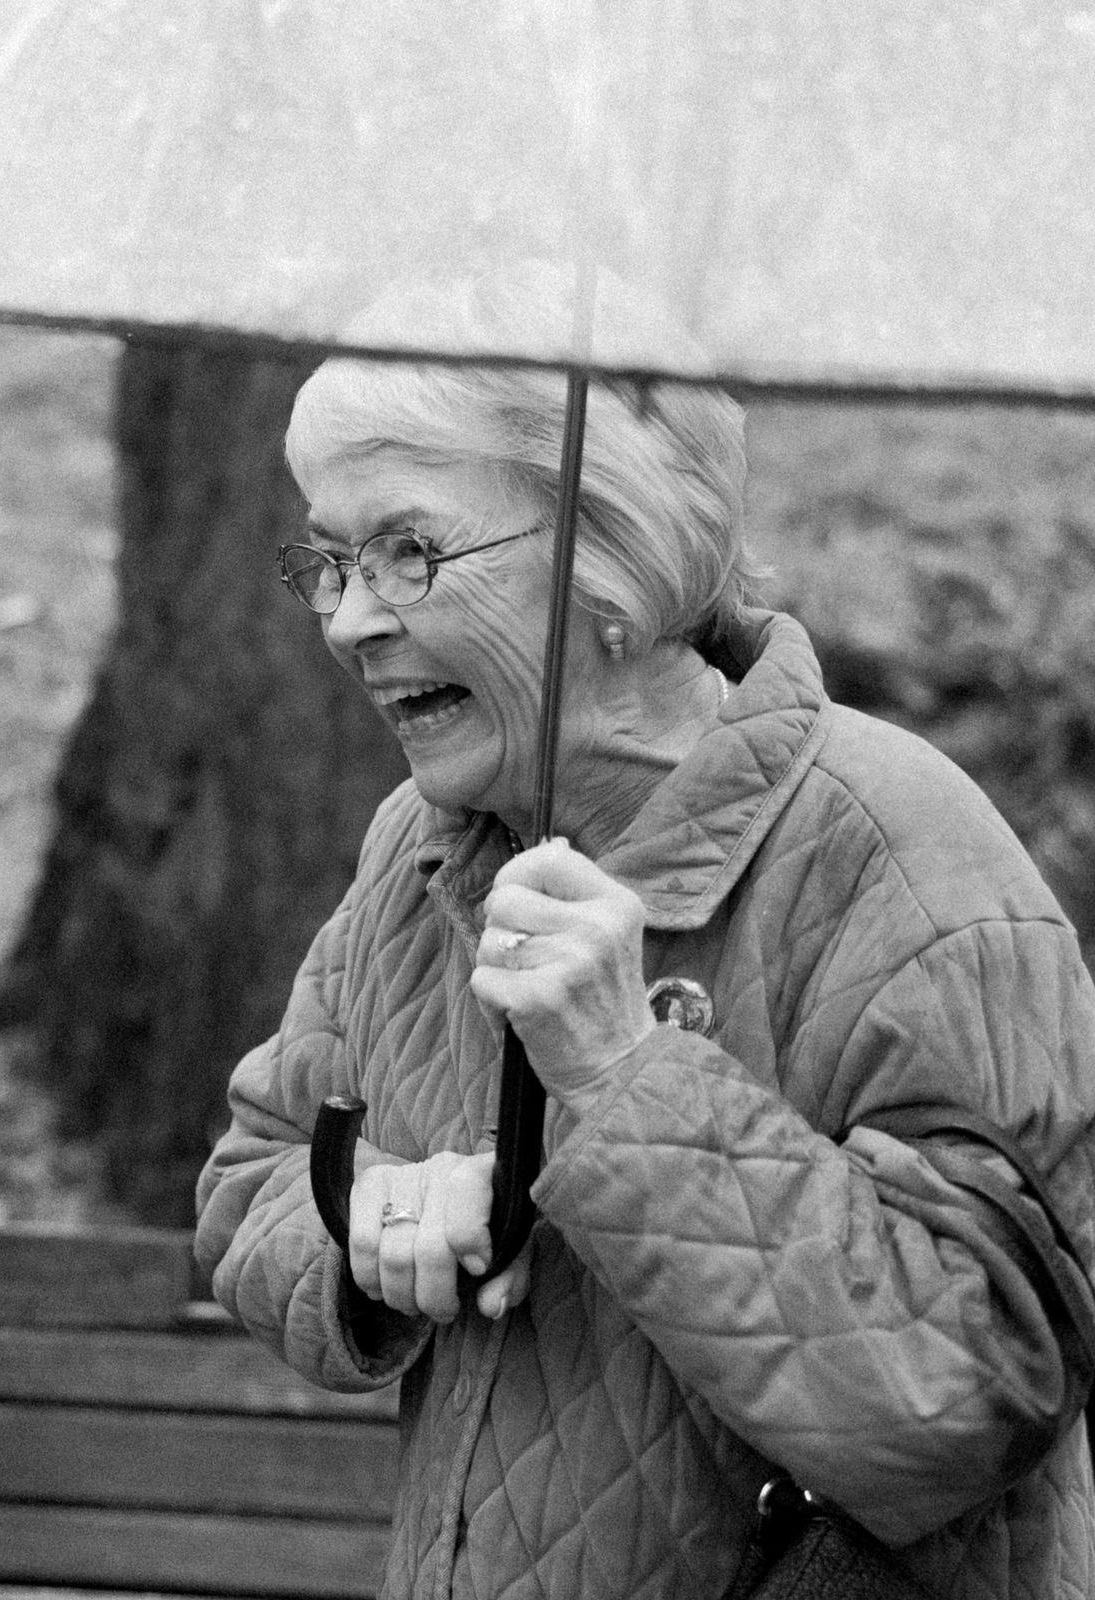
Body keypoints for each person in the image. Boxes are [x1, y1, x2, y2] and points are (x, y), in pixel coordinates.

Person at [194, 266, 1095, 1599]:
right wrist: (366, 1218)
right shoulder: (424, 843)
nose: (350, 619)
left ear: (610, 553)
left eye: (408, 551)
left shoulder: (900, 850)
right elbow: (252, 1176)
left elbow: (970, 1392)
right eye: (330, 561)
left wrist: (624, 1074)